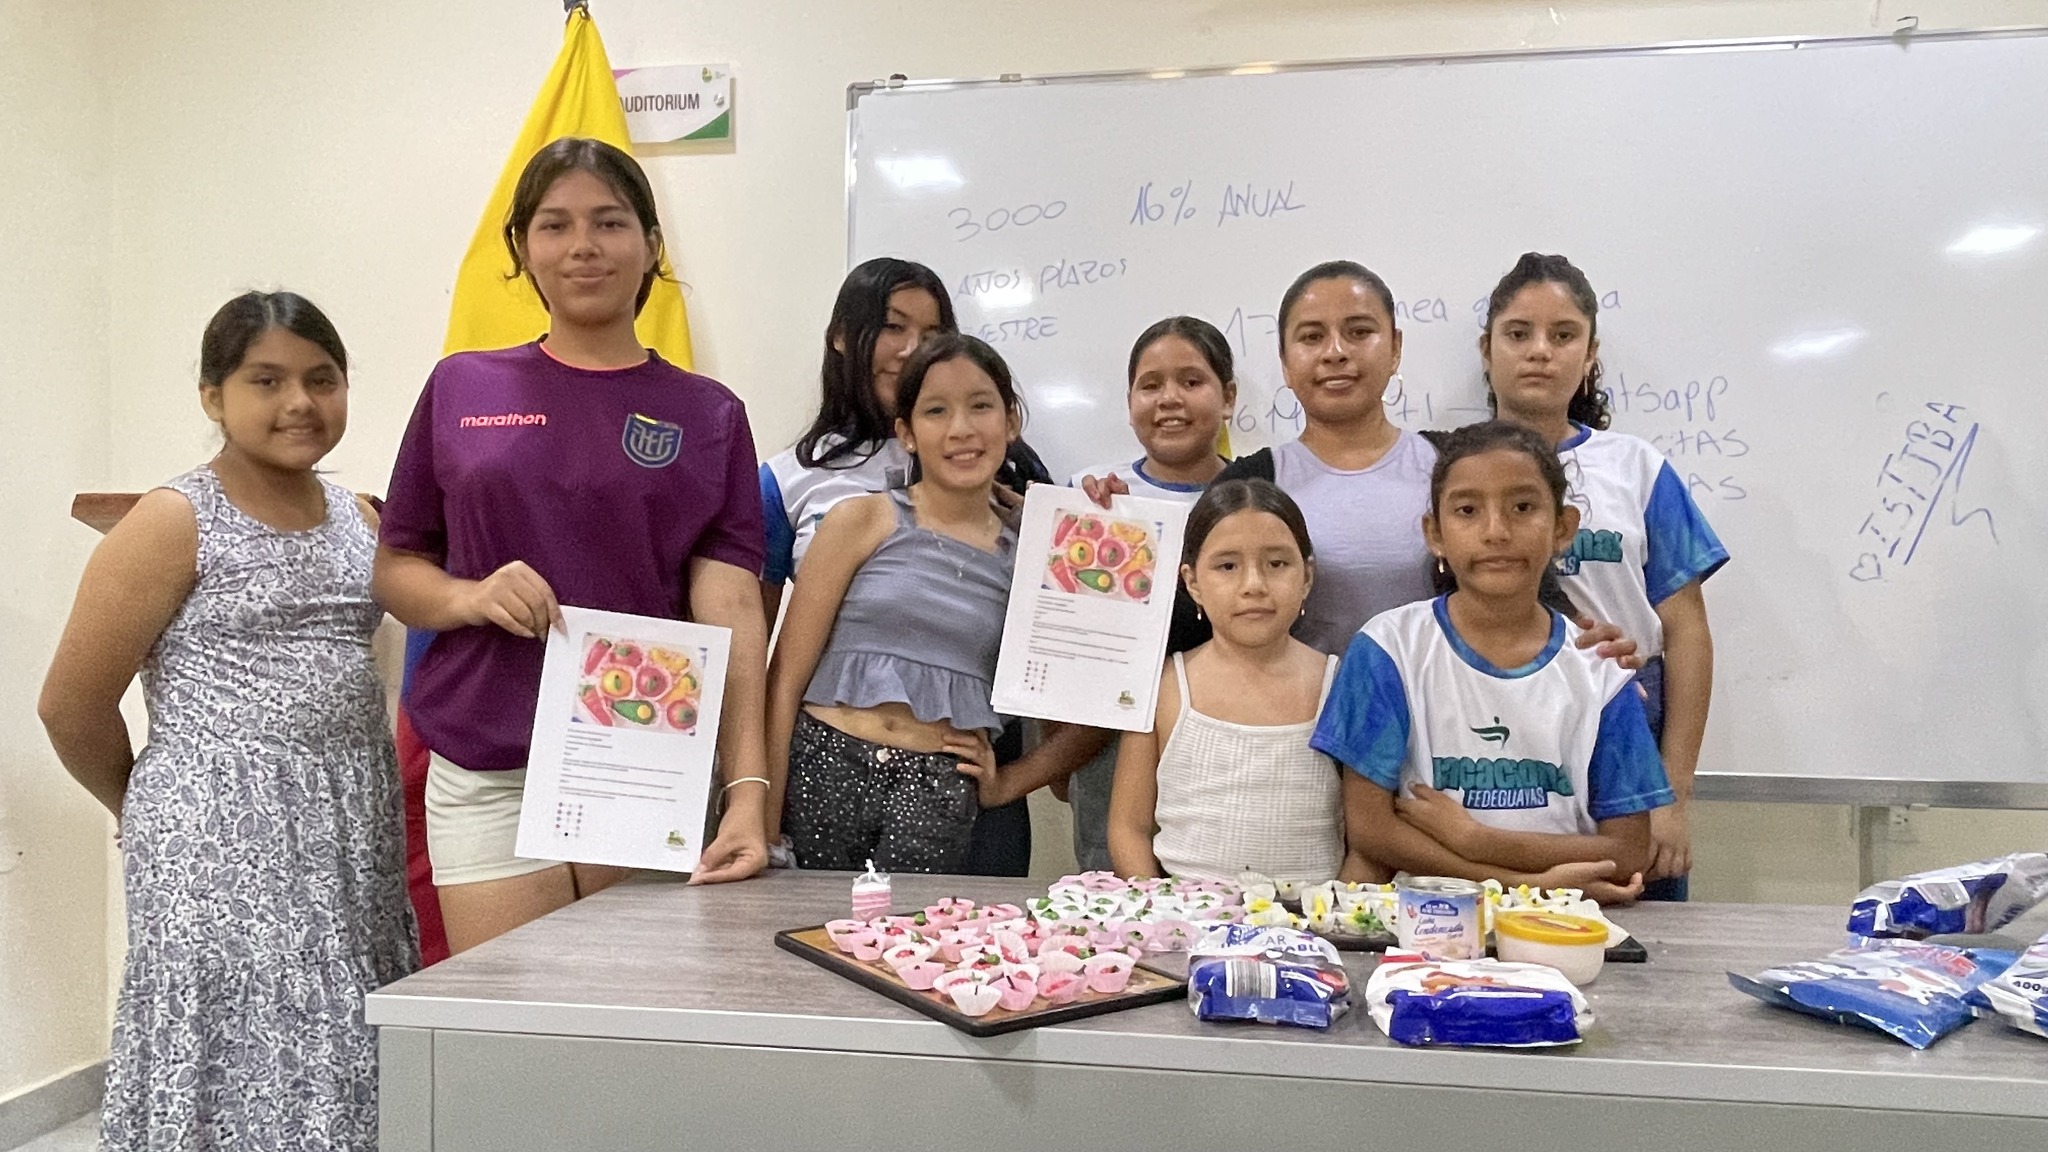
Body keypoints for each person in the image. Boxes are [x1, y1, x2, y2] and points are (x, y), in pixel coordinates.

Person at [38, 291, 417, 1148]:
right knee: (235, 1041)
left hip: (347, 827)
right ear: (214, 396)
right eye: (267, 381)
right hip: (214, 836)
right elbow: (69, 704)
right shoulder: (173, 520)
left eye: (322, 380)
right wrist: (148, 803)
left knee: (339, 1034)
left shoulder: (360, 519)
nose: (300, 403)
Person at [374, 137, 769, 954]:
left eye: (609, 222)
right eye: (555, 225)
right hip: (486, 763)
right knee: (507, 1016)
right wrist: (470, 596)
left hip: (640, 754)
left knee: (630, 1015)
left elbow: (731, 610)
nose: (583, 245)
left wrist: (749, 791)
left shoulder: (710, 414)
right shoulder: (461, 386)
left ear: (651, 245)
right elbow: (398, 566)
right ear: (522, 247)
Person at [1313, 421, 1674, 903]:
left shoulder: (1600, 669)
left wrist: (1477, 840)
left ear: (1563, 528)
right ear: (1434, 533)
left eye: (1523, 507)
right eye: (1467, 510)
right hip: (1422, 922)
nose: (1496, 531)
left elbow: (1627, 851)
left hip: (1563, 923)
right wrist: (1523, 886)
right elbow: (1371, 830)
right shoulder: (1388, 648)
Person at [1477, 252, 1727, 901]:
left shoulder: (1637, 469)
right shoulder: (1454, 470)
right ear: (1487, 350)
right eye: (1518, 333)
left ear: (1590, 354)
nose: (1540, 351)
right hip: (1496, 733)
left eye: (1563, 335)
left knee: (1640, 926)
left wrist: (1673, 793)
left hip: (1627, 728)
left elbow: (1687, 632)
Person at [767, 334, 1023, 872]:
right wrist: (762, 823)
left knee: (908, 931)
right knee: (798, 926)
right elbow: (785, 680)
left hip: (936, 789)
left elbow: (1094, 706)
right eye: (936, 411)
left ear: (1011, 421)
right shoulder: (860, 519)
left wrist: (1009, 783)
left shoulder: (1032, 555)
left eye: (981, 406)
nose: (961, 429)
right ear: (906, 432)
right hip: (821, 767)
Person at [1063, 316, 1237, 871]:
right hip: (1110, 743)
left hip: (1227, 733)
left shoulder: (1252, 494)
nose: (1170, 399)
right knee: (1112, 884)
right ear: (1129, 400)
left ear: (1229, 397)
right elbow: (1060, 633)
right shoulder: (1096, 495)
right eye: (1151, 384)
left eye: (1192, 381)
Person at [1107, 479, 1344, 883]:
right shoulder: (1164, 686)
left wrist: (1337, 911)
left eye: (1277, 564)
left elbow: (1368, 835)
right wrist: (1159, 906)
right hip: (1185, 914)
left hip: (1314, 917)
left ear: (1306, 577)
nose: (1254, 585)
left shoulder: (1340, 685)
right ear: (1192, 582)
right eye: (1227, 566)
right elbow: (1128, 827)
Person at [759, 257, 953, 628]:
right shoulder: (782, 481)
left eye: (932, 336)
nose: (913, 349)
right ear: (841, 336)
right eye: (893, 327)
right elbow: (753, 636)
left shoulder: (979, 460)